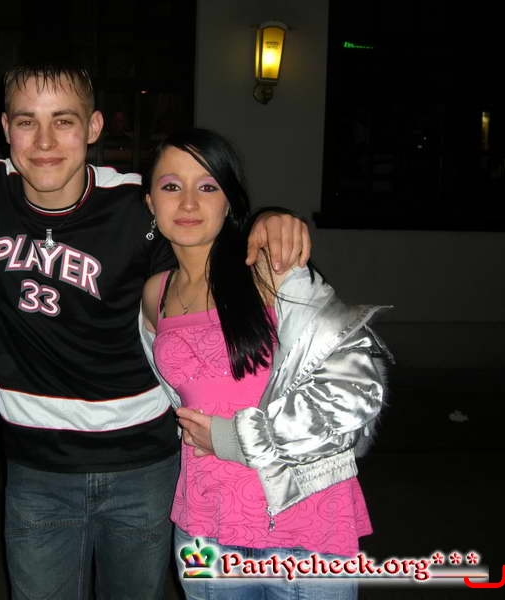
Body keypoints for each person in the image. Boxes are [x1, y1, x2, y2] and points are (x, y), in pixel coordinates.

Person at [0, 63, 311, 600]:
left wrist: (270, 218)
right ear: (6, 128)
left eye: (64, 121)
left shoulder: (138, 203)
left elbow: (209, 227)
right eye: (27, 122)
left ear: (94, 127)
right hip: (36, 468)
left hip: (143, 464)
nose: (45, 142)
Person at [139, 128, 390, 600]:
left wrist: (233, 439)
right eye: (171, 186)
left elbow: (356, 389)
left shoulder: (271, 272)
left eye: (207, 186)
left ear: (229, 202)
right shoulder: (156, 294)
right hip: (205, 525)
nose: (188, 202)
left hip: (306, 527)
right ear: (150, 201)